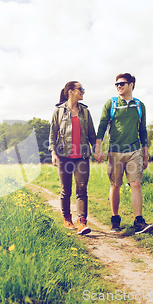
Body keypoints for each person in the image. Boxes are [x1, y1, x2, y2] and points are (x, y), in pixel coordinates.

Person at [94, 73, 153, 234]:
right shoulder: (111, 103)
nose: (119, 86)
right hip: (115, 151)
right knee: (115, 185)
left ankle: (139, 221)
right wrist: (98, 148)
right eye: (117, 84)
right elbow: (102, 126)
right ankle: (115, 220)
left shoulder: (140, 106)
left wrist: (145, 154)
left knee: (136, 184)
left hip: (135, 150)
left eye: (122, 83)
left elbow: (143, 130)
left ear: (131, 85)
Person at [48, 81, 97, 235]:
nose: (83, 91)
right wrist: (53, 153)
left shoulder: (85, 111)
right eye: (80, 89)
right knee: (66, 190)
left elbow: (92, 134)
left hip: (82, 156)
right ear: (70, 91)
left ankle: (82, 222)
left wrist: (97, 150)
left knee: (82, 189)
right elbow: (52, 134)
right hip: (64, 155)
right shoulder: (59, 111)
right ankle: (67, 219)